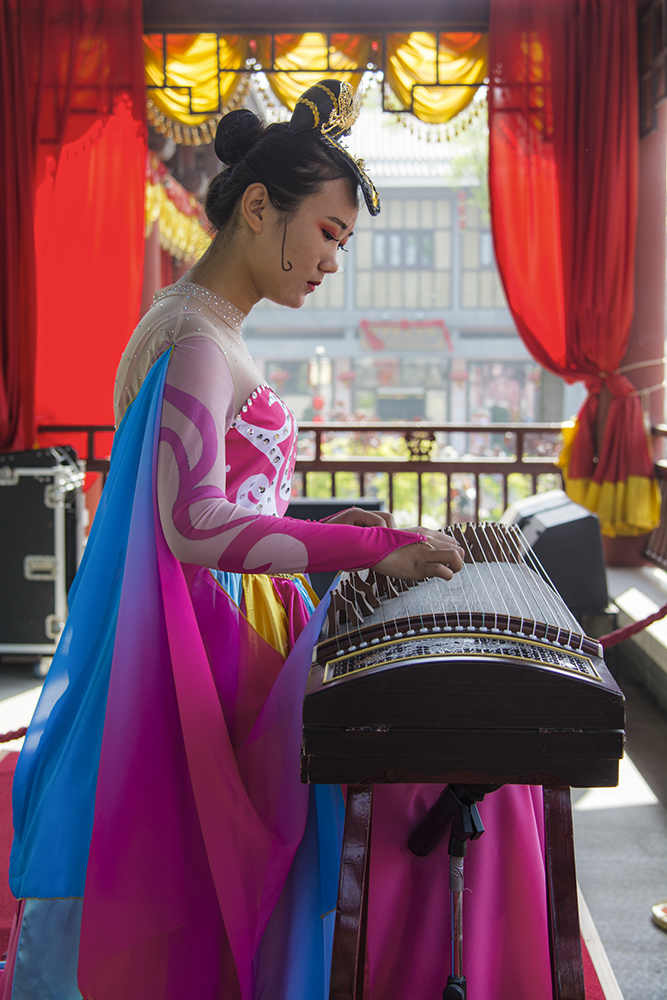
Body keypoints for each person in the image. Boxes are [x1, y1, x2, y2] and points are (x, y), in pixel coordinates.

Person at [0, 81, 551, 1000]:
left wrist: (329, 524)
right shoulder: (196, 343)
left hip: (228, 625)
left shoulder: (201, 327)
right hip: (212, 647)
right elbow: (195, 522)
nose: (333, 261)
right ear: (260, 209)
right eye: (328, 234)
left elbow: (222, 495)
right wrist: (377, 554)